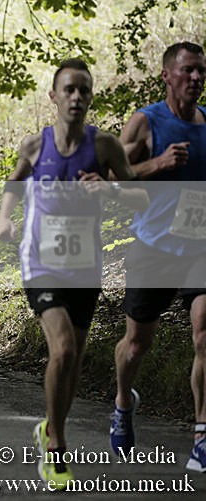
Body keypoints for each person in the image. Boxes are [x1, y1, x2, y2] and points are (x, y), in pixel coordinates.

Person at [0, 59, 147, 489]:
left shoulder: (105, 147)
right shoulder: (35, 146)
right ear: (54, 96)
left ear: (91, 97)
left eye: (84, 90)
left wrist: (109, 188)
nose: (76, 97)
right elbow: (14, 183)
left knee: (74, 359)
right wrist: (4, 218)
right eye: (69, 89)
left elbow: (141, 198)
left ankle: (51, 426)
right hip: (40, 262)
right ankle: (56, 444)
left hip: (84, 266)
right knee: (62, 350)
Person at [109, 41, 206, 473]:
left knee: (204, 333)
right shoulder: (146, 122)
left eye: (201, 71)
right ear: (166, 75)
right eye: (188, 70)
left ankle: (202, 436)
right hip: (154, 247)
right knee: (136, 345)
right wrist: (158, 164)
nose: (196, 78)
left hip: (200, 247)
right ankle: (122, 402)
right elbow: (111, 177)